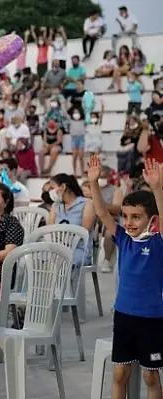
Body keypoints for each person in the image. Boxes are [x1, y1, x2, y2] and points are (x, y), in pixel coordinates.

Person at [87, 155, 163, 399]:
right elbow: (101, 212)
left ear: (152, 219)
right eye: (126, 216)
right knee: (120, 375)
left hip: (153, 320)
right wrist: (94, 184)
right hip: (124, 317)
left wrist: (157, 188)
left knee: (151, 376)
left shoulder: (158, 242)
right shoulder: (122, 238)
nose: (129, 222)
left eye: (136, 217)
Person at [47, 173, 95, 266]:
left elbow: (84, 232)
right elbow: (49, 230)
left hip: (79, 249)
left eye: (52, 188)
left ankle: (62, 281)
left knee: (62, 261)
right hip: (57, 248)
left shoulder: (86, 204)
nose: (51, 192)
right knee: (36, 258)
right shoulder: (56, 206)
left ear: (63, 187)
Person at [96, 166, 124, 273]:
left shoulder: (116, 190)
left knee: (109, 233)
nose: (101, 179)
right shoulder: (88, 188)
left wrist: (98, 204)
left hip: (110, 220)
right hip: (92, 220)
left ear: (109, 177)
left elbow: (117, 208)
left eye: (103, 177)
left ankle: (106, 260)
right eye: (99, 177)